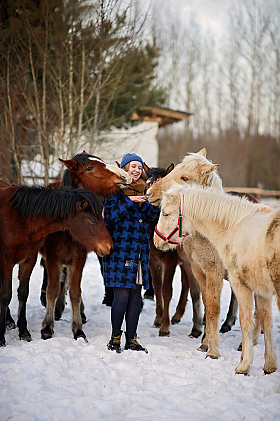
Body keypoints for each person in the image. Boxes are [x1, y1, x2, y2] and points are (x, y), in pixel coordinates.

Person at [102, 153, 159, 354]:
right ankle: (115, 338)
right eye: (132, 166)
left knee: (136, 295)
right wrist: (130, 201)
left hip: (140, 251)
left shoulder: (144, 189)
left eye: (139, 167)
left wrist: (152, 199)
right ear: (125, 168)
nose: (136, 170)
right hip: (120, 250)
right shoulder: (114, 190)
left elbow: (152, 216)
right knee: (122, 295)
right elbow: (109, 217)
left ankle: (132, 339)